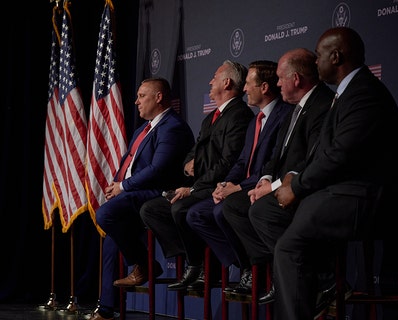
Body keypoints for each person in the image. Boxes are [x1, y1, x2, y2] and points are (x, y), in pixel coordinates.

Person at [249, 27, 398, 319]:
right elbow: (323, 153)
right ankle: (318, 281)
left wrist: (298, 185)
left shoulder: (364, 93)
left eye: (318, 56)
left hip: (363, 197)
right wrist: (292, 179)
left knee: (289, 249)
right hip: (338, 190)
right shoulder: (346, 93)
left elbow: (341, 155)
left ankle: (318, 283)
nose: (315, 63)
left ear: (336, 55)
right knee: (268, 214)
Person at [221, 48, 334, 301]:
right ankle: (284, 271)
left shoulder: (322, 105)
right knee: (234, 206)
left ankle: (310, 277)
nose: (278, 83)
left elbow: (313, 160)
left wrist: (272, 188)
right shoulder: (295, 107)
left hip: (310, 188)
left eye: (281, 79)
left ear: (296, 80)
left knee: (260, 211)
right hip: (281, 184)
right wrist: (265, 180)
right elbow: (277, 157)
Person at [139, 60, 254, 292]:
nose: (210, 81)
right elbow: (192, 154)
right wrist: (186, 168)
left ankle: (200, 265)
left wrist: (192, 188)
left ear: (227, 82)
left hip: (214, 186)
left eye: (215, 77)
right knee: (151, 209)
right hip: (197, 184)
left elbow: (228, 162)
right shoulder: (210, 117)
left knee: (180, 209)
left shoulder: (239, 115)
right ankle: (196, 260)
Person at [90, 77, 195, 320]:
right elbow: (129, 161)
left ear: (159, 97)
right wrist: (115, 184)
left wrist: (123, 187)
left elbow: (157, 169)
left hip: (159, 194)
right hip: (134, 193)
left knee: (106, 215)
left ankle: (146, 266)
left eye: (142, 96)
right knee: (111, 239)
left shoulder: (172, 127)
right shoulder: (143, 129)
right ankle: (107, 309)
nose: (136, 101)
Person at [185, 60, 293, 295]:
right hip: (245, 185)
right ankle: (246, 266)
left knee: (221, 210)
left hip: (266, 186)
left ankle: (256, 268)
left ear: (264, 87)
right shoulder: (256, 120)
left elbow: (271, 165)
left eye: (248, 85)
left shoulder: (284, 114)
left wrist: (238, 188)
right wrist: (226, 183)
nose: (244, 89)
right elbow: (243, 161)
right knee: (199, 213)